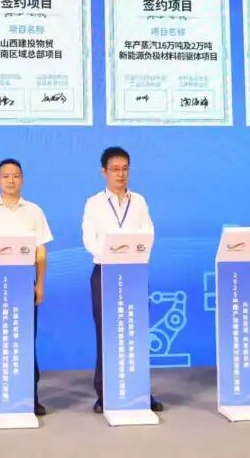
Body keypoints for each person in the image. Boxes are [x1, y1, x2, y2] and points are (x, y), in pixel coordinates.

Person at [0, 158, 52, 418]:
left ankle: (30, 397)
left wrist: (40, 283)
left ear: (22, 180)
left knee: (25, 339)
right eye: (6, 176)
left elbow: (41, 252)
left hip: (23, 281)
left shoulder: (34, 211)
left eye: (16, 176)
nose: (11, 180)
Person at [82, 146, 162, 414]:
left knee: (136, 333)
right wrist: (111, 252)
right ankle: (105, 393)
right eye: (115, 169)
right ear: (104, 172)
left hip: (133, 273)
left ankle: (141, 392)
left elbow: (148, 234)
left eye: (125, 169)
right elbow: (89, 239)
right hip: (105, 271)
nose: (121, 174)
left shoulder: (139, 201)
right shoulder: (94, 203)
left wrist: (131, 252)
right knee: (106, 333)